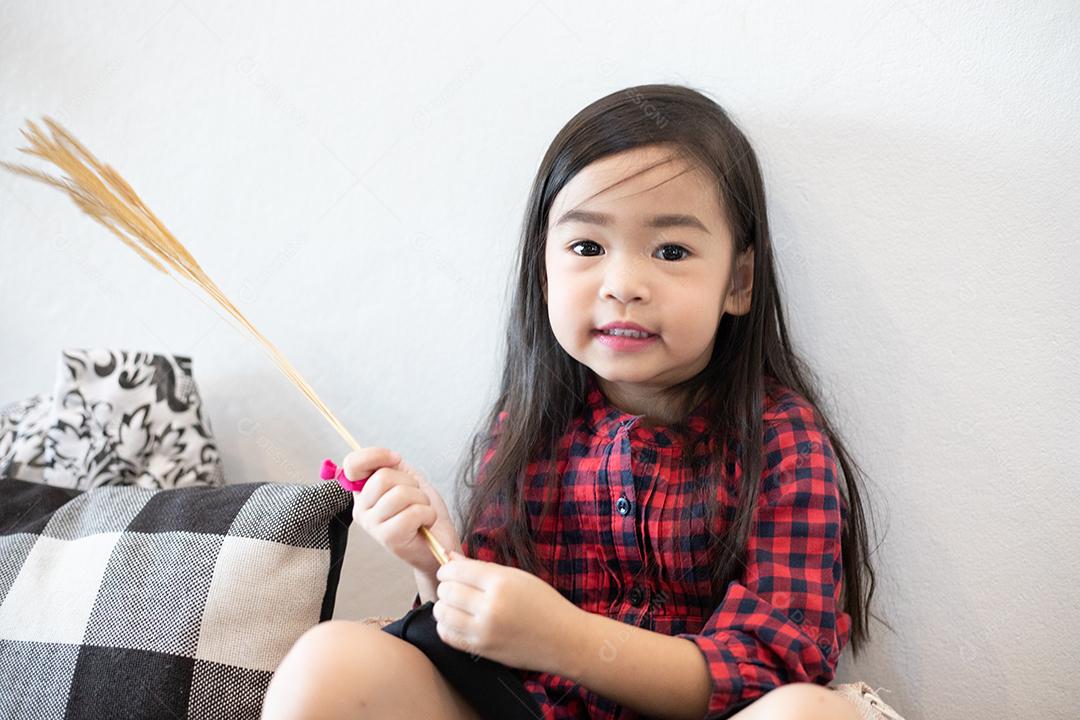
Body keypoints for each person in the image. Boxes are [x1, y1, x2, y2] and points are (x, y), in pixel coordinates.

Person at [261, 83, 877, 720]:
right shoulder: (530, 425)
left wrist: (568, 640)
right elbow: (483, 652)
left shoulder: (779, 437)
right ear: (544, 268)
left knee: (814, 715)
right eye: (587, 248)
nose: (623, 286)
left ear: (739, 282)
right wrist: (436, 563)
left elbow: (781, 661)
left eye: (671, 251)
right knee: (331, 661)